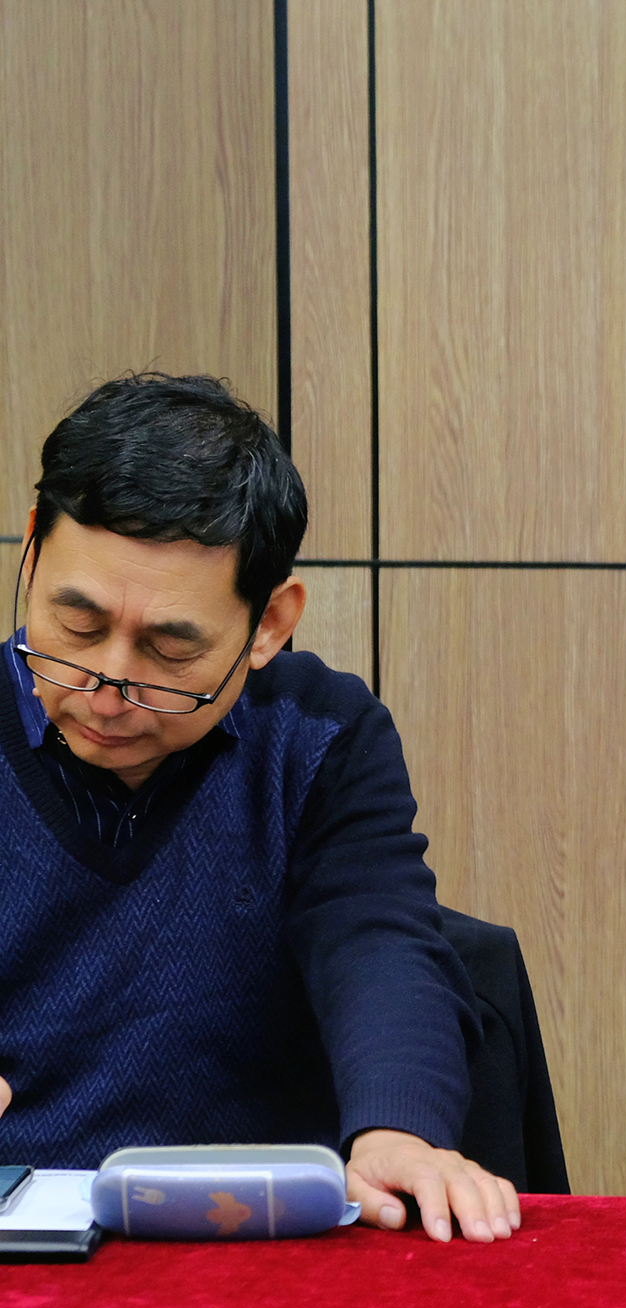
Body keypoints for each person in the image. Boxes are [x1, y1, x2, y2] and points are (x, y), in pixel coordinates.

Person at [1, 373, 519, 1243]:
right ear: (30, 553)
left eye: (169, 649)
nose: (108, 686)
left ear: (270, 623)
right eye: (78, 626)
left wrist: (396, 1129)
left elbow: (376, 938)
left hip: (262, 1234)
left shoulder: (318, 734)